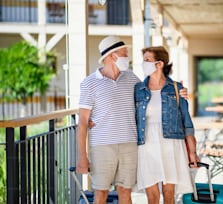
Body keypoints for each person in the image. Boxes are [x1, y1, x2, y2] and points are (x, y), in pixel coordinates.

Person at [76, 36, 188, 204]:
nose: (127, 57)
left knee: (125, 192)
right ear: (113, 56)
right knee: (101, 194)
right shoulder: (89, 83)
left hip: (130, 144)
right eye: (124, 53)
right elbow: (83, 122)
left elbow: (155, 89)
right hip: (102, 146)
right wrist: (82, 156)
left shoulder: (132, 79)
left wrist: (179, 92)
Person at [134, 46, 199, 204]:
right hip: (146, 145)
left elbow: (187, 122)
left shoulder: (177, 89)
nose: (144, 64)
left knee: (169, 194)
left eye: (147, 60)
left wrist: (192, 152)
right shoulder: (138, 89)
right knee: (152, 196)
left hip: (171, 144)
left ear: (159, 64)